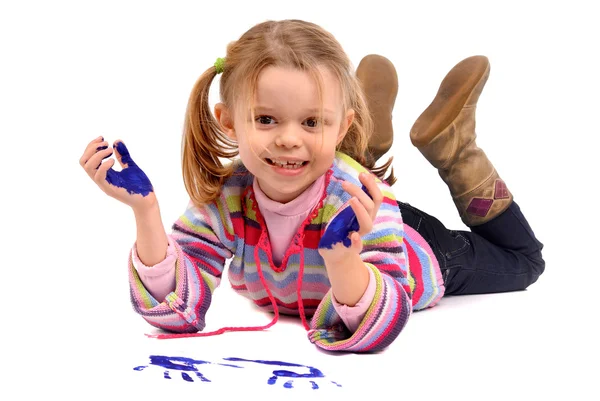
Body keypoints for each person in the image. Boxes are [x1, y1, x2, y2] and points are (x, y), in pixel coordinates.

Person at [79, 19, 544, 353]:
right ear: (228, 122)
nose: (286, 137)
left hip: (417, 248)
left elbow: (383, 322)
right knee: (315, 164)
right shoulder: (228, 196)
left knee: (525, 261)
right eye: (265, 119)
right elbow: (177, 308)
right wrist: (146, 213)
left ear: (340, 126)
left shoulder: (365, 202)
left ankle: (456, 149)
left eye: (310, 121)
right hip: (339, 183)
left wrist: (342, 261)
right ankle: (358, 146)